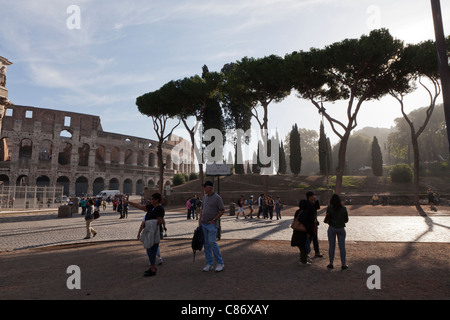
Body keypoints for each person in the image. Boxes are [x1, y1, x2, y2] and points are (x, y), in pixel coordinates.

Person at [128, 193, 165, 277]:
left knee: (152, 250)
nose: (150, 200)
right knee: (149, 249)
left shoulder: (160, 209)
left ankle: (152, 269)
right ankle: (152, 267)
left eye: (152, 199)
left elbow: (159, 221)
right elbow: (140, 207)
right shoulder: (151, 207)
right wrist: (129, 202)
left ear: (156, 200)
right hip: (149, 231)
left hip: (155, 232)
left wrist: (150, 222)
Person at [198, 180, 225, 272]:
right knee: (206, 244)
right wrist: (199, 220)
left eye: (205, 187)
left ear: (210, 188)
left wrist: (214, 219)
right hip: (204, 223)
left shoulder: (217, 198)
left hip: (212, 224)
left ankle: (220, 263)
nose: (204, 188)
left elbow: (222, 210)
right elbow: (202, 209)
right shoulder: (205, 197)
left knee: (212, 243)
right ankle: (209, 263)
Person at [325, 194, 349, 270]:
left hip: (332, 228)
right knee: (342, 247)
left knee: (331, 246)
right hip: (341, 228)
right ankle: (343, 264)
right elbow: (346, 220)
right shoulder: (344, 208)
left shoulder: (329, 208)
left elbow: (327, 217)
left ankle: (331, 263)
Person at [291, 199, 316, 265]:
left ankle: (303, 259)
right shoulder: (305, 212)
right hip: (303, 232)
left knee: (301, 247)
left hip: (297, 231)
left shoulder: (298, 211)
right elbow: (306, 223)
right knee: (304, 247)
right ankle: (303, 261)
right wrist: (309, 232)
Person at [305, 191, 323, 258]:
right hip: (310, 224)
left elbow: (317, 208)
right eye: (313, 195)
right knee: (309, 239)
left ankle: (317, 252)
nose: (315, 196)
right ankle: (306, 253)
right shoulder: (307, 204)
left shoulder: (312, 203)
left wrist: (316, 201)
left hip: (314, 224)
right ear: (310, 196)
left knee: (315, 238)